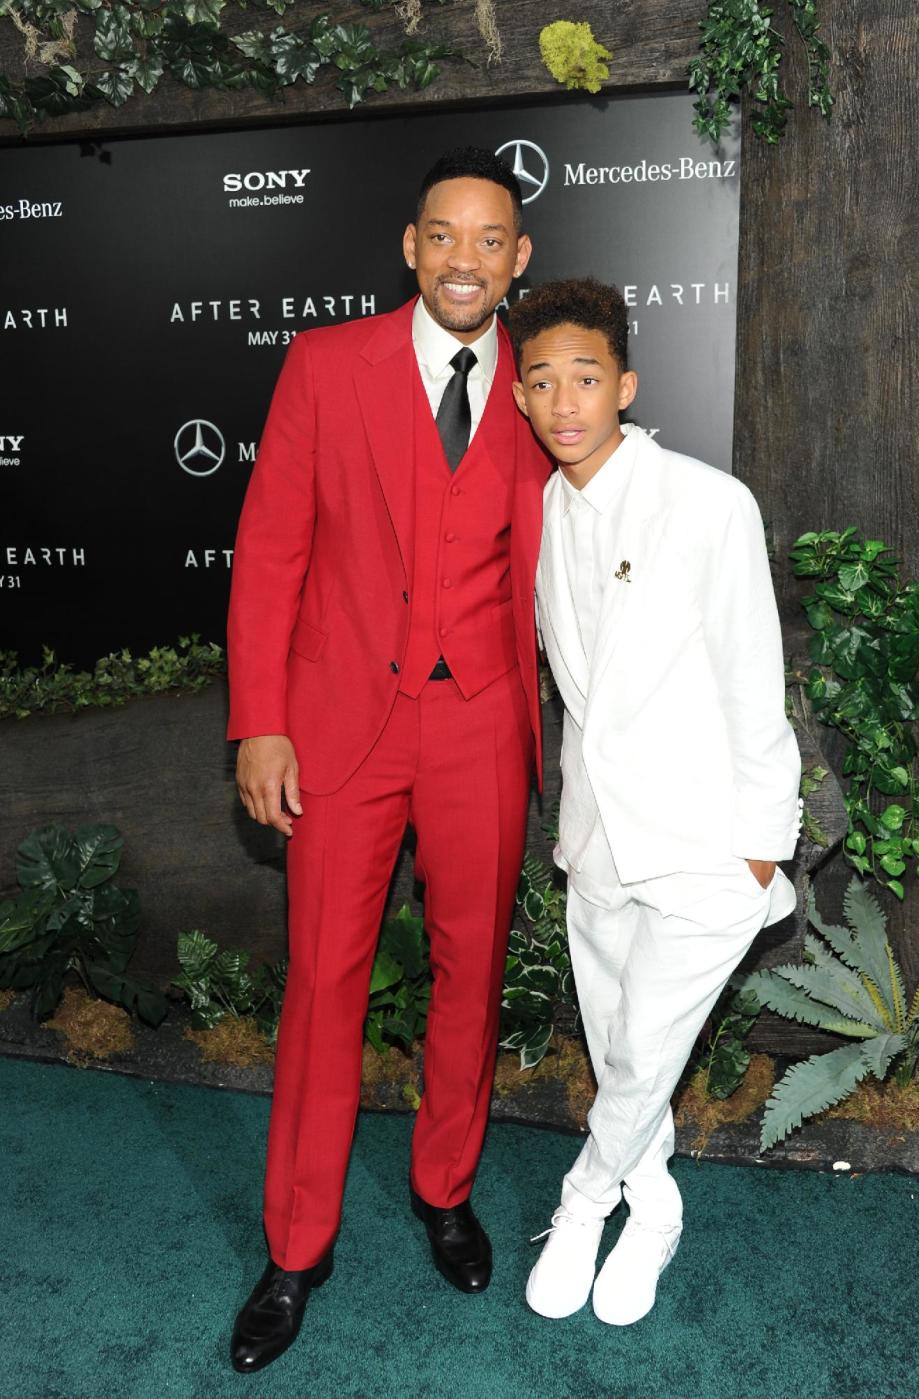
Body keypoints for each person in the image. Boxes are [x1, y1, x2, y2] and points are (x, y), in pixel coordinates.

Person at [225, 147, 550, 1373]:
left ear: (516, 261)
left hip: (482, 727)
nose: (465, 258)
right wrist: (261, 717)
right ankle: (294, 1247)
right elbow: (269, 553)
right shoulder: (326, 364)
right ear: (409, 248)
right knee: (324, 983)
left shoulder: (544, 384)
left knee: (469, 973)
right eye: (443, 236)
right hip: (342, 729)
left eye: (490, 239)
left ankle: (445, 1186)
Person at [510, 278, 802, 1327]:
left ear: (624, 384)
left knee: (642, 1050)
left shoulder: (708, 502)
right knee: (622, 1044)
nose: (564, 401)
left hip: (707, 847)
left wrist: (761, 849)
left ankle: (584, 1201)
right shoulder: (537, 512)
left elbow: (751, 681)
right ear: (521, 400)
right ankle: (656, 1200)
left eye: (584, 376)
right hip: (595, 844)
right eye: (540, 382)